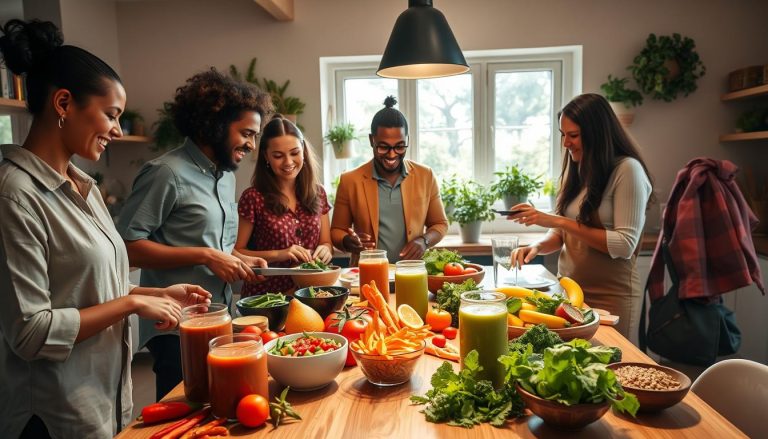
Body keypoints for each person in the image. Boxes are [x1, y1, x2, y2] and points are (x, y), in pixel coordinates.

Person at [0, 19, 211, 438]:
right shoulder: (14, 196)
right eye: (111, 115)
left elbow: (90, 288)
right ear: (63, 104)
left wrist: (156, 294)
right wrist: (133, 306)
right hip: (51, 417)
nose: (117, 128)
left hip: (102, 401)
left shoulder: (84, 187)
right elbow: (31, 331)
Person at [116, 69, 271, 400]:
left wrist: (240, 258)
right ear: (215, 125)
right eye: (246, 133)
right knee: (183, 412)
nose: (251, 144)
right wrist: (205, 256)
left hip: (219, 315)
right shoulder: (165, 173)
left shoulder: (225, 175)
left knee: (219, 408)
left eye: (255, 136)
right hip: (175, 325)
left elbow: (214, 244)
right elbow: (124, 248)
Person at [510, 93, 653, 341]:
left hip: (612, 297)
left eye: (573, 135)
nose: (566, 143)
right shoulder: (576, 170)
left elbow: (623, 245)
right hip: (570, 294)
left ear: (598, 134)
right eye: (562, 135)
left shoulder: (627, 170)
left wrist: (556, 220)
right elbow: (561, 235)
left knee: (611, 370)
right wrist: (536, 247)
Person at [331, 96, 448, 264]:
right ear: (372, 140)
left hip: (412, 272)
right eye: (384, 146)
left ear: (407, 140)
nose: (392, 154)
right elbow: (337, 230)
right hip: (367, 274)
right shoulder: (350, 180)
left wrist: (424, 241)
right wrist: (348, 242)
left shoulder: (425, 175)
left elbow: (440, 224)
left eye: (400, 146)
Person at [235, 115, 332, 296]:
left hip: (310, 295)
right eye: (278, 156)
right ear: (266, 156)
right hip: (265, 298)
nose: (288, 162)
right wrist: (281, 254)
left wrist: (325, 250)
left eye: (294, 153)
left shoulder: (318, 193)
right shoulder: (253, 198)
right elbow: (236, 252)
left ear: (303, 150)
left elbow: (326, 242)